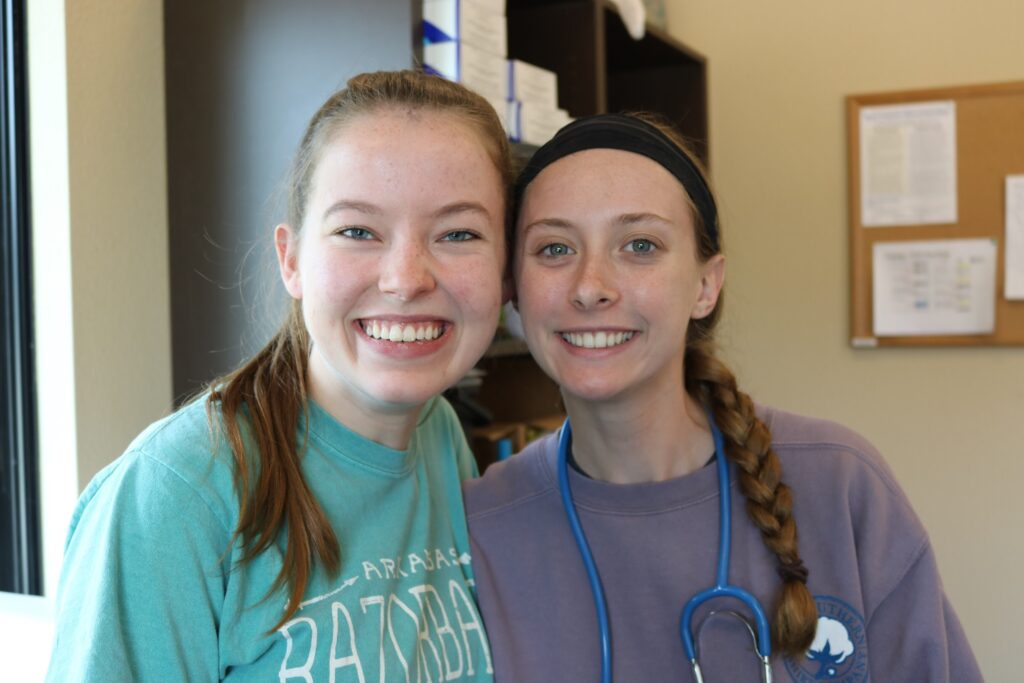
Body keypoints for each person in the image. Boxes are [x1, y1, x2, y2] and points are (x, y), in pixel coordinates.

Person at [464, 113, 982, 681]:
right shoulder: (480, 527)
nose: (590, 287)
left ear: (706, 286)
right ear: (514, 289)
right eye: (555, 248)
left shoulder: (841, 485)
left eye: (640, 245)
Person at [46, 71, 509, 682]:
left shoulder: (439, 434)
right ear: (291, 260)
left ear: (506, 271)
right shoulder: (174, 494)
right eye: (357, 231)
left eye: (458, 233)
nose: (405, 279)